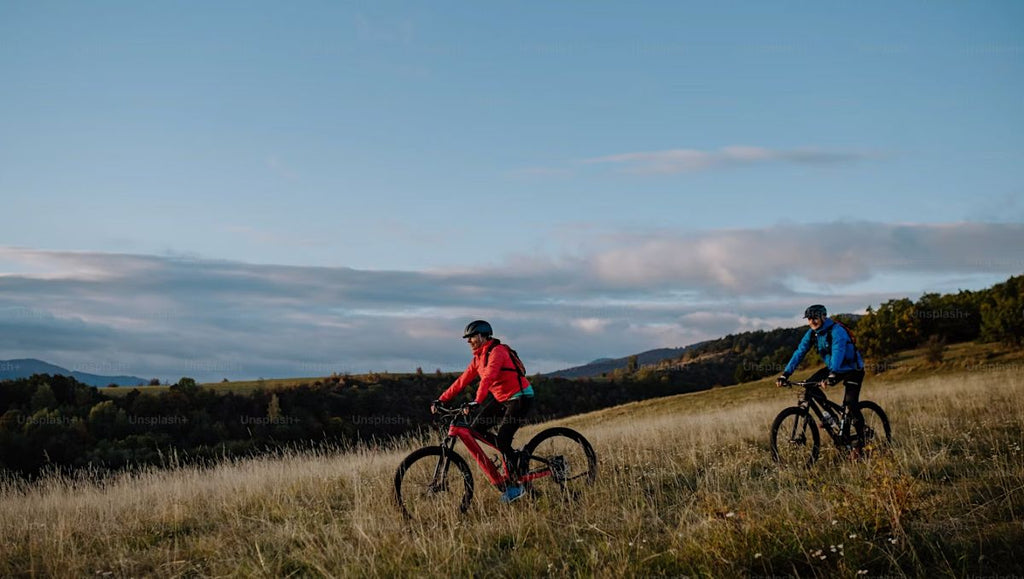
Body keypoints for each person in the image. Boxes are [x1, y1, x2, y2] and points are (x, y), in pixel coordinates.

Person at [431, 320, 535, 503]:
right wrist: (442, 399)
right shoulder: (478, 359)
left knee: (503, 439)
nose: (468, 341)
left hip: (520, 397)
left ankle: (516, 483)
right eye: (467, 338)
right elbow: (462, 381)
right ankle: (512, 456)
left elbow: (489, 377)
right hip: (502, 398)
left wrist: (477, 401)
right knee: (475, 429)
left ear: (482, 336)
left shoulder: (498, 351)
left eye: (471, 337)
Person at [776, 304, 866, 451]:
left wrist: (832, 375)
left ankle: (862, 444)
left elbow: (838, 350)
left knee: (850, 404)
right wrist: (785, 374)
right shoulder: (812, 334)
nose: (812, 321)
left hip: (852, 368)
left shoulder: (837, 331)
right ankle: (831, 418)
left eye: (815, 318)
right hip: (833, 368)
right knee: (809, 385)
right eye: (809, 319)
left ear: (823, 316)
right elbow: (799, 353)